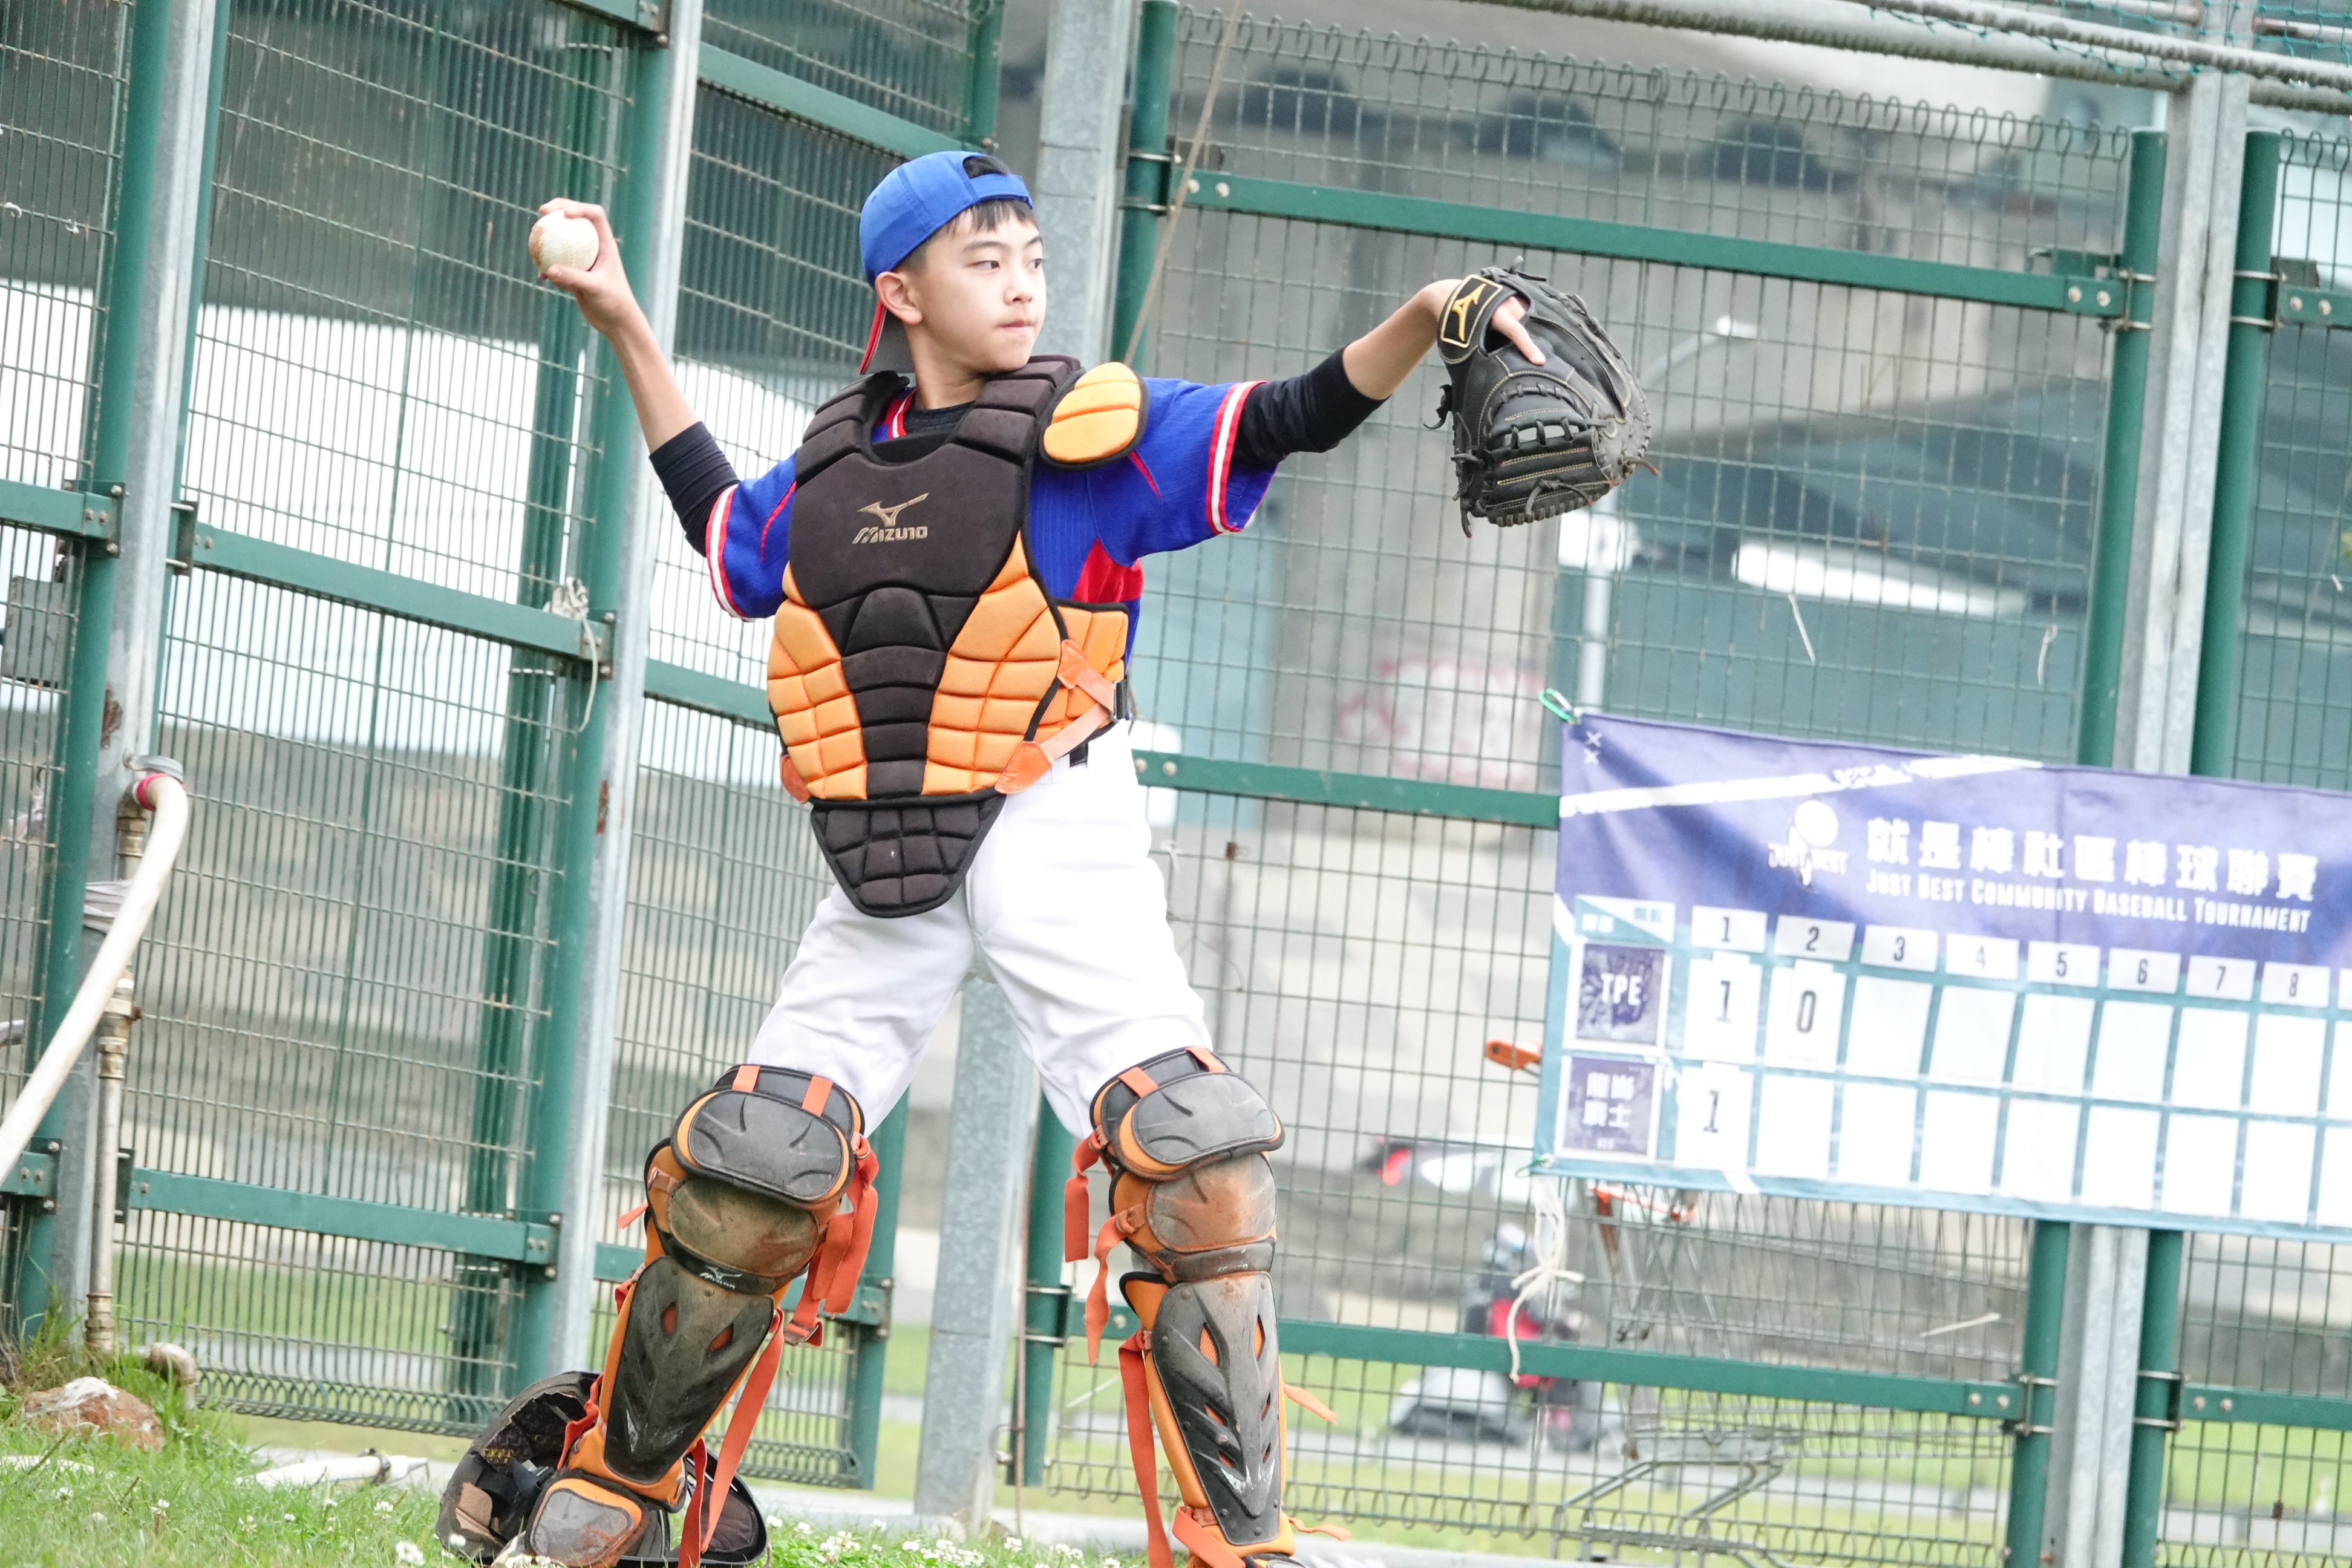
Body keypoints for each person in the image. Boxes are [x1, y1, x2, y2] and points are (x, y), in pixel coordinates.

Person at [479, 149, 1539, 1568]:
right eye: (984, 258)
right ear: (903, 290)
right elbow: (729, 539)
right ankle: (609, 1496)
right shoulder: (837, 465)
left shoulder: (1096, 433)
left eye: (1031, 254)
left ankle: (1240, 1541)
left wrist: (1422, 315)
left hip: (1058, 829)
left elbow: (1292, 414)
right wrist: (622, 319)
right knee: (754, 1164)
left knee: (1195, 1162)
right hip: (888, 850)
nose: (1022, 281)